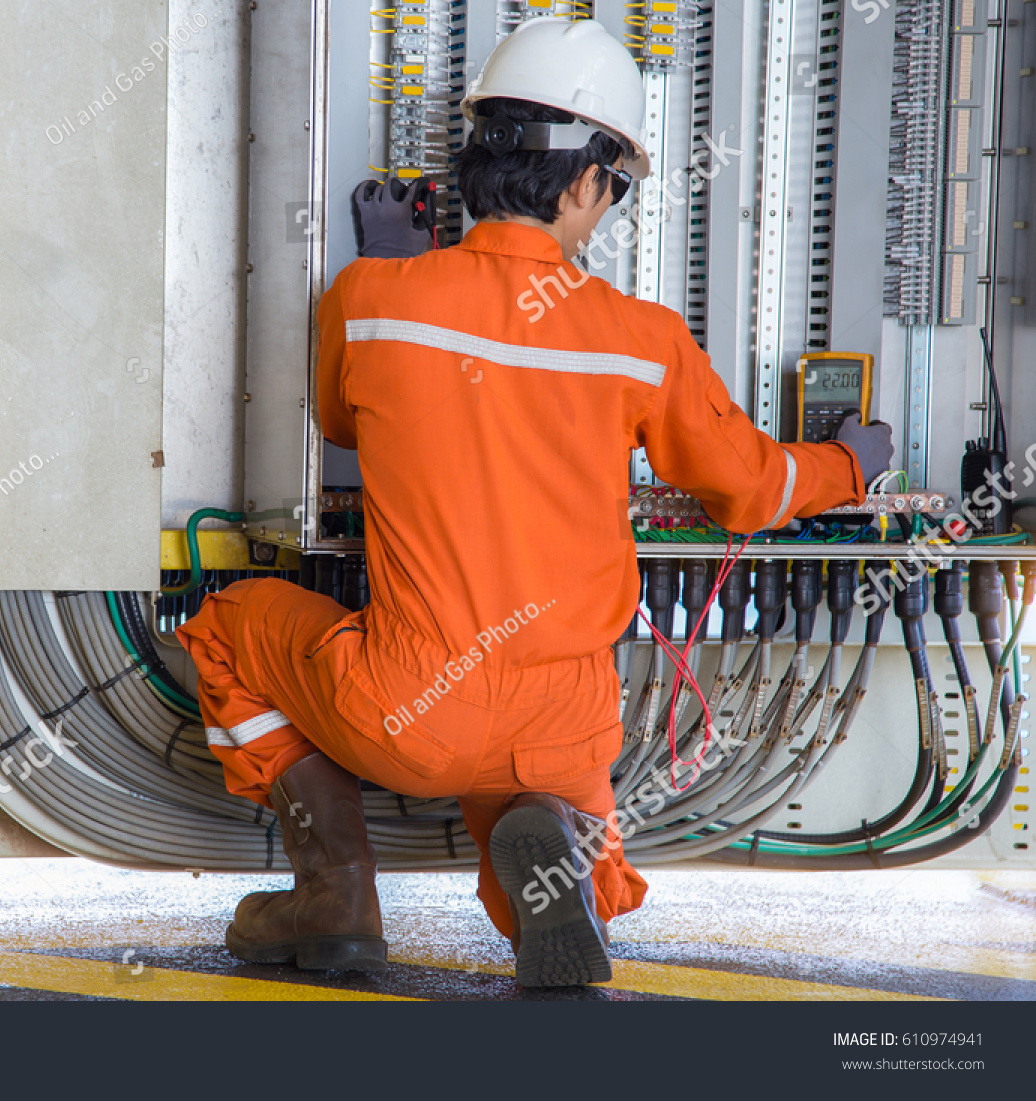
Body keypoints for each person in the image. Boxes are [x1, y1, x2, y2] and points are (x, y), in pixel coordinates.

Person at [175, 17, 893, 987]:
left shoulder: (370, 298)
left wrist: (393, 266)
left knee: (227, 626)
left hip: (408, 709)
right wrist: (851, 464)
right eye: (617, 189)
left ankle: (336, 891)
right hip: (567, 723)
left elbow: (345, 425)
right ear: (588, 179)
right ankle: (549, 849)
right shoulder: (638, 338)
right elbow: (752, 490)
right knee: (534, 790)